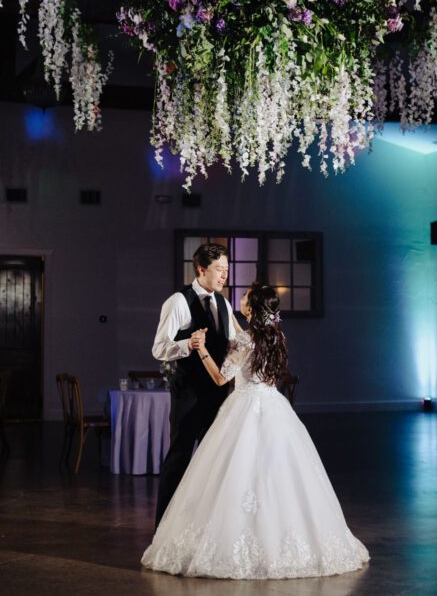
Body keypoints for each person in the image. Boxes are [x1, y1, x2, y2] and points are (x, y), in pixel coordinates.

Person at [142, 283, 369, 579]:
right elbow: (246, 338)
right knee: (280, 476)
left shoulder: (245, 341)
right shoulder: (277, 337)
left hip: (244, 408)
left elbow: (221, 378)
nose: (241, 300)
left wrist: (201, 351)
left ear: (252, 307)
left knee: (233, 474)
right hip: (275, 407)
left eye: (245, 298)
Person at [151, 243, 235, 528]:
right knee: (179, 457)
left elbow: (234, 345)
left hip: (219, 395)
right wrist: (189, 344)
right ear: (201, 269)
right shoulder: (177, 301)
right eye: (219, 269)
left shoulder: (224, 303)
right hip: (187, 395)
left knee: (216, 461)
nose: (225, 275)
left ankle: (207, 527)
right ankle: (163, 528)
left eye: (226, 269)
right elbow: (159, 348)